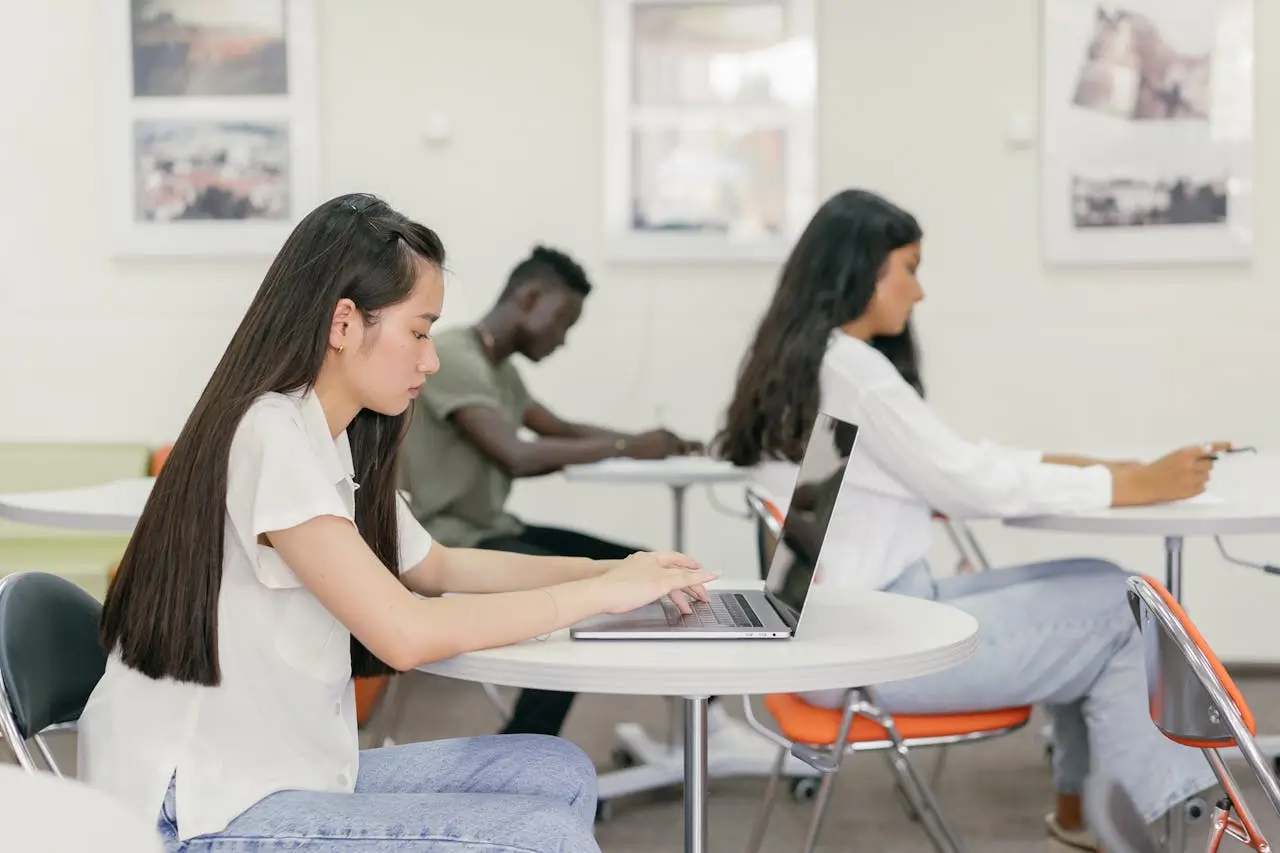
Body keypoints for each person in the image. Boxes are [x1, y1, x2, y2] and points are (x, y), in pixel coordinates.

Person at [78, 193, 716, 852]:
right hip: (202, 803)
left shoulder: (331, 436)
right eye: (419, 330)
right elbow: (407, 632)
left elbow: (437, 565)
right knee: (542, 834)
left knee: (558, 770)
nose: (431, 359)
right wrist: (594, 597)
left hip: (286, 768)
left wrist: (617, 571)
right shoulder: (269, 433)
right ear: (344, 323)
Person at [713, 188, 1222, 850]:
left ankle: (1084, 825)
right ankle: (1150, 836)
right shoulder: (856, 373)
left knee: (1102, 580)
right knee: (1125, 612)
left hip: (845, 627)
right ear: (862, 269)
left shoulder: (815, 363)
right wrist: (1128, 485)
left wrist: (1105, 471)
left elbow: (952, 466)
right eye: (910, 268)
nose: (918, 293)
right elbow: (973, 483)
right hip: (872, 646)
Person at [400, 245, 703, 738]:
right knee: (588, 601)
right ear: (530, 298)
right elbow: (515, 454)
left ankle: (700, 710)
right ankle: (521, 750)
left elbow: (559, 429)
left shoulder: (502, 373)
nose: (562, 340)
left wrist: (649, 443)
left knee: (644, 565)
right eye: (563, 321)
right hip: (452, 543)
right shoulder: (454, 356)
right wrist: (629, 444)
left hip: (492, 530)